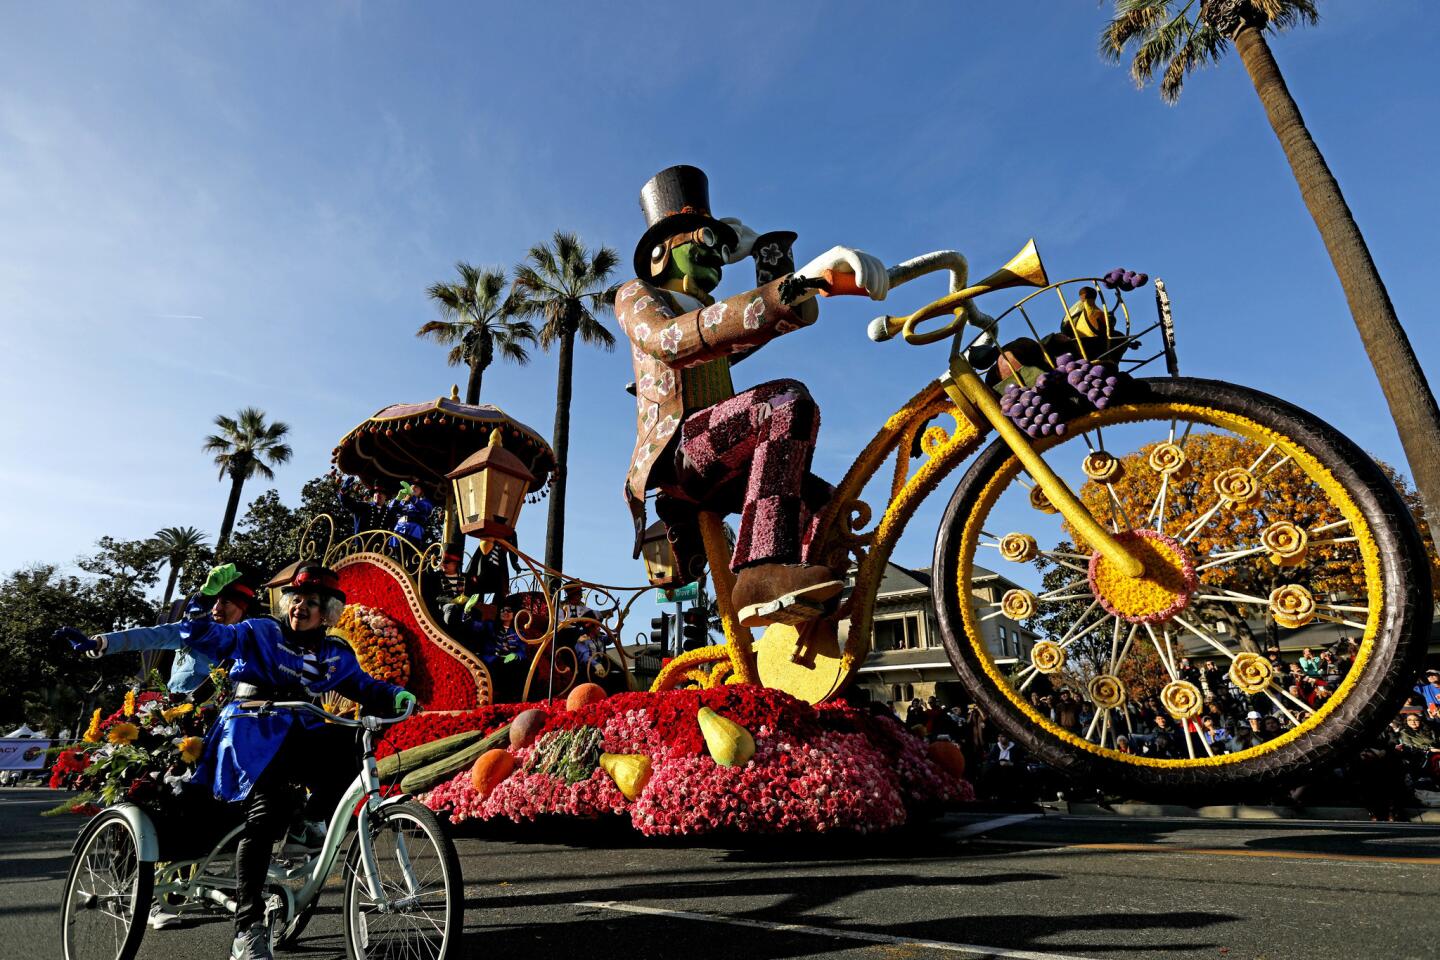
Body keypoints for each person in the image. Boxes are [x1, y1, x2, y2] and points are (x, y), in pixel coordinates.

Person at [66, 562, 414, 960]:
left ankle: (311, 822)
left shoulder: (335, 653)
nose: (301, 607)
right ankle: (247, 931)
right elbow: (182, 633)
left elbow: (363, 686)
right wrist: (104, 643)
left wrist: (396, 697)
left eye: (312, 602)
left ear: (328, 612)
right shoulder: (259, 631)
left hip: (300, 733)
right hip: (248, 733)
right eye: (296, 598)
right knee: (266, 815)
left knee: (355, 742)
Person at [615, 164, 889, 629]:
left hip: (724, 455)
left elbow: (775, 320)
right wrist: (792, 285)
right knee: (786, 402)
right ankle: (760, 569)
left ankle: (809, 600)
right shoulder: (637, 295)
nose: (718, 259)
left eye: (722, 250)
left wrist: (771, 252)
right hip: (681, 455)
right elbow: (672, 342)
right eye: (705, 244)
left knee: (827, 506)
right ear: (661, 253)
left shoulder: (705, 310)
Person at [58, 562, 263, 697]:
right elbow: (151, 636)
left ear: (242, 608)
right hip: (179, 716)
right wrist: (99, 643)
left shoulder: (255, 638)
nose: (216, 608)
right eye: (214, 601)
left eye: (225, 603)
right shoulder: (196, 630)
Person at [387, 481, 434, 550]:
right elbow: (390, 509)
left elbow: (425, 509)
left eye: (417, 487)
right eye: (412, 486)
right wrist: (398, 498)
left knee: (409, 554)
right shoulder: (403, 502)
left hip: (414, 532)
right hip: (399, 529)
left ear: (421, 491)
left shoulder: (425, 502)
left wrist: (412, 497)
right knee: (393, 554)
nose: (413, 488)